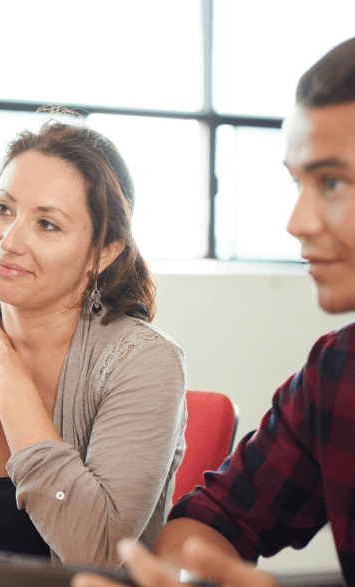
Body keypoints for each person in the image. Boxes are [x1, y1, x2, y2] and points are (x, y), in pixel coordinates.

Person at [73, 36, 355, 587]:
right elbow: (216, 518)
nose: (297, 222)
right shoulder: (336, 373)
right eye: (297, 183)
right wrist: (182, 578)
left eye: (332, 182)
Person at [0, 120, 187, 583]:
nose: (8, 242)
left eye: (47, 224)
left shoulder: (143, 363)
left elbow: (95, 552)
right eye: (2, 208)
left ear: (104, 252)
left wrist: (15, 400)